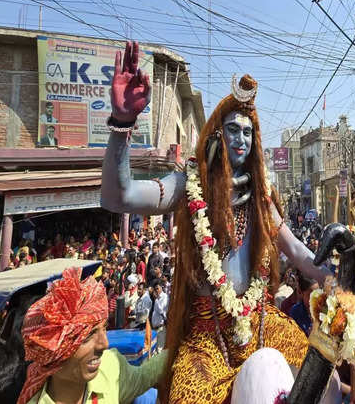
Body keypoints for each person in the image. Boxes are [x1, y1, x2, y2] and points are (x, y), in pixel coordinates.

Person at [101, 57, 339, 404]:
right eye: (232, 129)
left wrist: (338, 277)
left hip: (259, 322)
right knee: (188, 398)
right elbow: (117, 195)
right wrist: (122, 123)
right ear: (216, 134)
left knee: (323, 381)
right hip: (205, 333)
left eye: (248, 131)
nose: (241, 138)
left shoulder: (262, 199)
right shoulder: (188, 185)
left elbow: (300, 254)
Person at [17, 267, 167, 404]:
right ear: (50, 352)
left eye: (104, 328)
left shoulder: (110, 367)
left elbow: (145, 376)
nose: (104, 344)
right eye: (88, 335)